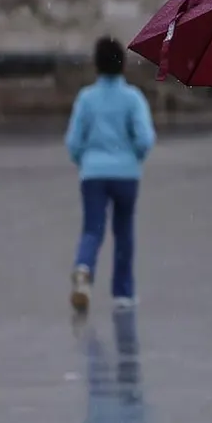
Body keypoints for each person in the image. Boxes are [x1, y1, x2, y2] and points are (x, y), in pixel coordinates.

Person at [66, 37, 155, 312]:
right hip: (126, 173)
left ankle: (84, 267)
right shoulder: (132, 98)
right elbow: (145, 138)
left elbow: (73, 141)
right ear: (123, 64)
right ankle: (122, 292)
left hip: (93, 173)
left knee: (92, 228)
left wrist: (84, 161)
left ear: (96, 65)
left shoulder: (86, 98)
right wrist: (134, 158)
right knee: (124, 231)